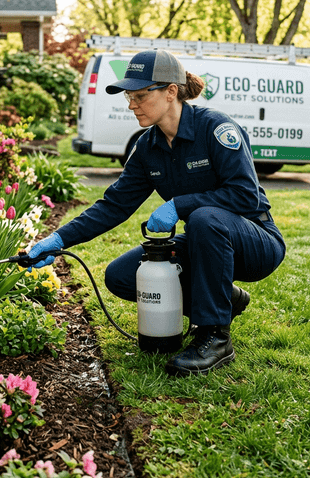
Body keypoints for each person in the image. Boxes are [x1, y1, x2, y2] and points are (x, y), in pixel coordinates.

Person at [29, 49, 286, 375]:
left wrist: (180, 204)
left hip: (255, 240)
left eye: (139, 95)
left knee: (203, 217)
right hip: (204, 240)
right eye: (128, 96)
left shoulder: (215, 129)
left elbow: (245, 196)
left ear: (171, 92)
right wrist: (58, 238)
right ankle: (227, 298)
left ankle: (215, 336)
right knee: (122, 276)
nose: (131, 104)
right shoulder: (147, 148)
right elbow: (114, 205)